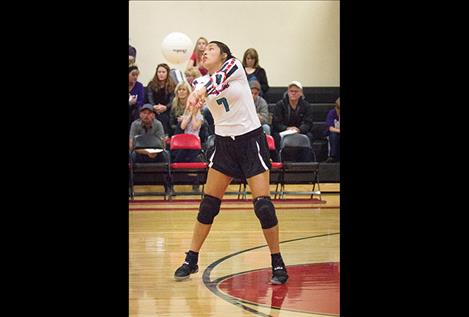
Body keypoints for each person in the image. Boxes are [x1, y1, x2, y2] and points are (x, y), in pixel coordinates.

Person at [174, 41, 288, 285]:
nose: (205, 52)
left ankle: (277, 261)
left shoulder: (234, 66)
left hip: (250, 141)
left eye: (211, 49)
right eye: (203, 51)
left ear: (224, 54)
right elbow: (201, 92)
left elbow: (216, 82)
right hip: (224, 145)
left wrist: (199, 94)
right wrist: (194, 102)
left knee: (263, 207)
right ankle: (191, 258)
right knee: (208, 205)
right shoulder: (200, 82)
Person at [271, 81, 314, 149]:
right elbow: (276, 123)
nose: (293, 93)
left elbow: (308, 123)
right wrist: (287, 128)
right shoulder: (280, 104)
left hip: (300, 130)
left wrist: (299, 129)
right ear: (288, 92)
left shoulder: (306, 105)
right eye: (291, 91)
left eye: (296, 91)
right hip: (283, 131)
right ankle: (279, 158)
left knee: (310, 136)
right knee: (276, 137)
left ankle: (307, 159)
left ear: (301, 93)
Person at [146, 63, 176, 136]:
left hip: (167, 108)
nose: (161, 74)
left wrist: (165, 107)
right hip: (154, 108)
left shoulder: (172, 85)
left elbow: (172, 100)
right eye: (159, 72)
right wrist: (154, 107)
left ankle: (164, 136)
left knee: (164, 116)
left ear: (167, 73)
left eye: (163, 72)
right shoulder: (151, 84)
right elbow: (149, 97)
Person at [325, 97, 340, 162]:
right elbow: (330, 128)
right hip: (334, 133)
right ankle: (333, 156)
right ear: (336, 108)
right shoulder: (332, 113)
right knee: (333, 135)